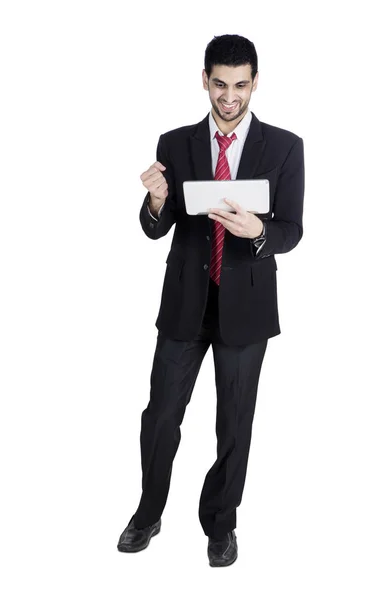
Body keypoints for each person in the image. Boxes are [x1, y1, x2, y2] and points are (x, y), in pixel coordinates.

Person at [117, 33, 305, 567]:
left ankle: (221, 523)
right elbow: (156, 228)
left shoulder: (286, 146)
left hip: (246, 306)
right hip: (185, 305)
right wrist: (156, 200)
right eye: (220, 84)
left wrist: (257, 231)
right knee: (159, 418)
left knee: (234, 426)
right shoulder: (174, 143)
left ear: (255, 83)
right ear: (205, 80)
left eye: (240, 85)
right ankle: (148, 512)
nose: (229, 97)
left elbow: (292, 228)